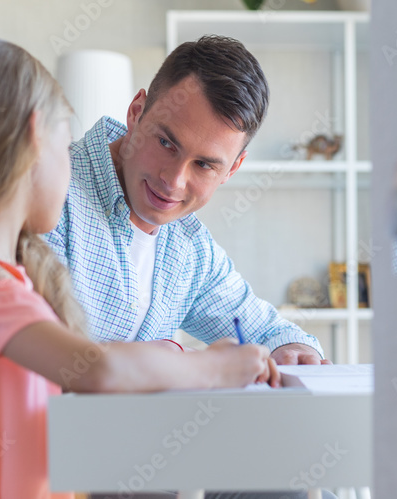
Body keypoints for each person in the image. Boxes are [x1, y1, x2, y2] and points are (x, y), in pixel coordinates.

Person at [0, 39, 278, 499]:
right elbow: (95, 369)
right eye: (65, 141)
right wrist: (211, 367)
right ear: (37, 141)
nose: (74, 159)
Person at [43, 35, 327, 365]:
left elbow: (269, 332)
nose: (173, 181)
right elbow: (29, 353)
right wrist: (179, 359)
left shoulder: (190, 249)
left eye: (204, 165)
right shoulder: (46, 190)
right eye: (166, 143)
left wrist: (294, 350)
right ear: (136, 112)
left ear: (232, 169)